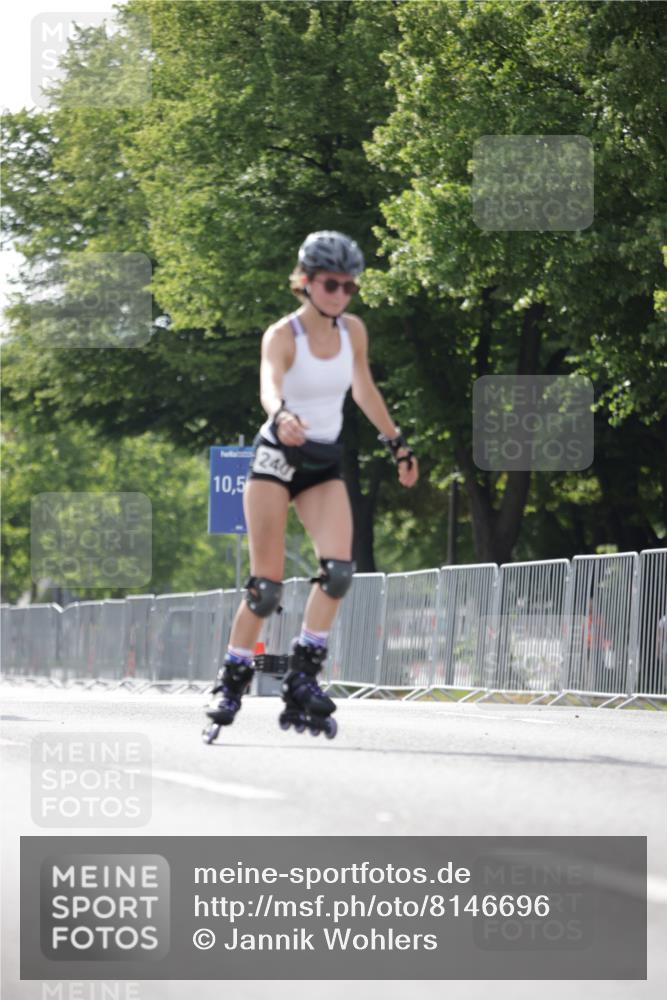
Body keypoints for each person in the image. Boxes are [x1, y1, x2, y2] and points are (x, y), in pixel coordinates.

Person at [204, 231, 418, 742]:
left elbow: (363, 388)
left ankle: (302, 674)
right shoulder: (283, 335)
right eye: (330, 284)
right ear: (305, 282)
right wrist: (280, 415)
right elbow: (268, 381)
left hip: (323, 461)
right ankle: (230, 680)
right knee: (266, 588)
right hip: (278, 457)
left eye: (349, 286)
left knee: (339, 572)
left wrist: (397, 443)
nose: (340, 294)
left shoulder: (353, 333)